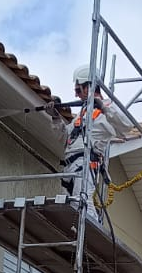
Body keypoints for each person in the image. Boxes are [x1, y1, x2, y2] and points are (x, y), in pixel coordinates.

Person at [49, 64, 134, 219]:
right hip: (70, 166)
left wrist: (103, 108)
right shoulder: (82, 113)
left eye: (78, 90)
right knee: (69, 207)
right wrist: (55, 118)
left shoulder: (107, 107)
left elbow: (126, 127)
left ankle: (90, 230)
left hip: (86, 163)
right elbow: (64, 138)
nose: (76, 95)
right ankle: (78, 230)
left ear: (88, 87)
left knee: (82, 202)